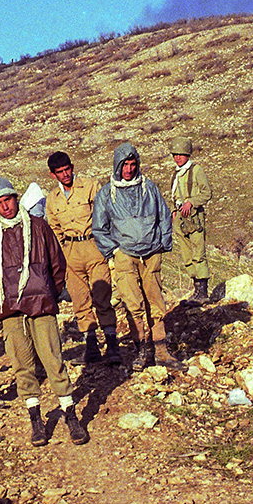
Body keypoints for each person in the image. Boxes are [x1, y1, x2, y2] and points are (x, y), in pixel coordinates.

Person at [0, 179, 88, 447]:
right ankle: (36, 420)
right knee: (22, 364)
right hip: (11, 309)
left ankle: (70, 415)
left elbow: (57, 263)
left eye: (8, 200)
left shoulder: (39, 226)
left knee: (53, 359)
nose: (5, 207)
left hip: (41, 303)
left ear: (15, 197)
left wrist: (48, 292)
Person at [92, 143, 174, 370]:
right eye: (124, 165)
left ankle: (161, 350)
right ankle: (141, 351)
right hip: (125, 256)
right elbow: (99, 228)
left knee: (155, 301)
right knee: (132, 303)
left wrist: (162, 244)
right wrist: (114, 251)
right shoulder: (106, 194)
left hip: (151, 254)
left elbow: (164, 216)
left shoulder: (149, 188)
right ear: (117, 166)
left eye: (132, 164)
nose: (128, 169)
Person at [46, 151, 119, 364]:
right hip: (70, 252)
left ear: (73, 167)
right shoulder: (52, 198)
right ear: (53, 175)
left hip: (93, 246)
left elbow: (105, 214)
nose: (65, 174)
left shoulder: (90, 186)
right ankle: (91, 346)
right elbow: (54, 229)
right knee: (79, 300)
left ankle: (112, 344)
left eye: (67, 169)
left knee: (102, 295)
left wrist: (106, 244)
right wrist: (61, 255)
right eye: (60, 172)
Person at [169, 136, 213, 303]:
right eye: (175, 154)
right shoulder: (176, 174)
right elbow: (173, 196)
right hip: (181, 219)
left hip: (194, 218)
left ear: (187, 154)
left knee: (198, 253)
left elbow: (207, 193)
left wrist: (191, 202)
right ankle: (196, 289)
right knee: (187, 254)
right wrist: (174, 211)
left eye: (181, 154)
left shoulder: (196, 170)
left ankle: (203, 291)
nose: (177, 158)